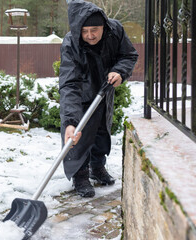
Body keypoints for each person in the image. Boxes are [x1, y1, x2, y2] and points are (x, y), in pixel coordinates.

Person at [59, 0, 138, 197]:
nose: (90, 35)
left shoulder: (115, 31)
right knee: (78, 135)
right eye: (84, 31)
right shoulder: (71, 43)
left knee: (102, 130)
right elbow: (69, 83)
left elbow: (128, 55)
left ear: (103, 26)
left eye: (94, 30)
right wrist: (70, 121)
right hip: (80, 93)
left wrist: (119, 71)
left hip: (104, 89)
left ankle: (97, 167)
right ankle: (80, 175)